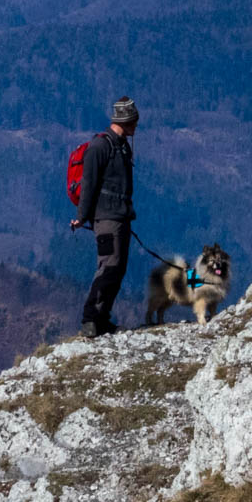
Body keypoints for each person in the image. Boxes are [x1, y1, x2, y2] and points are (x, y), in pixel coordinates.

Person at [71, 97, 140, 338]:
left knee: (118, 268)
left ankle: (102, 319)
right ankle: (90, 319)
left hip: (121, 217)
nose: (136, 127)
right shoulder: (100, 148)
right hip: (106, 219)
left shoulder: (121, 146)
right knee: (108, 267)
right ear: (126, 120)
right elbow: (89, 184)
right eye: (134, 121)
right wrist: (82, 217)